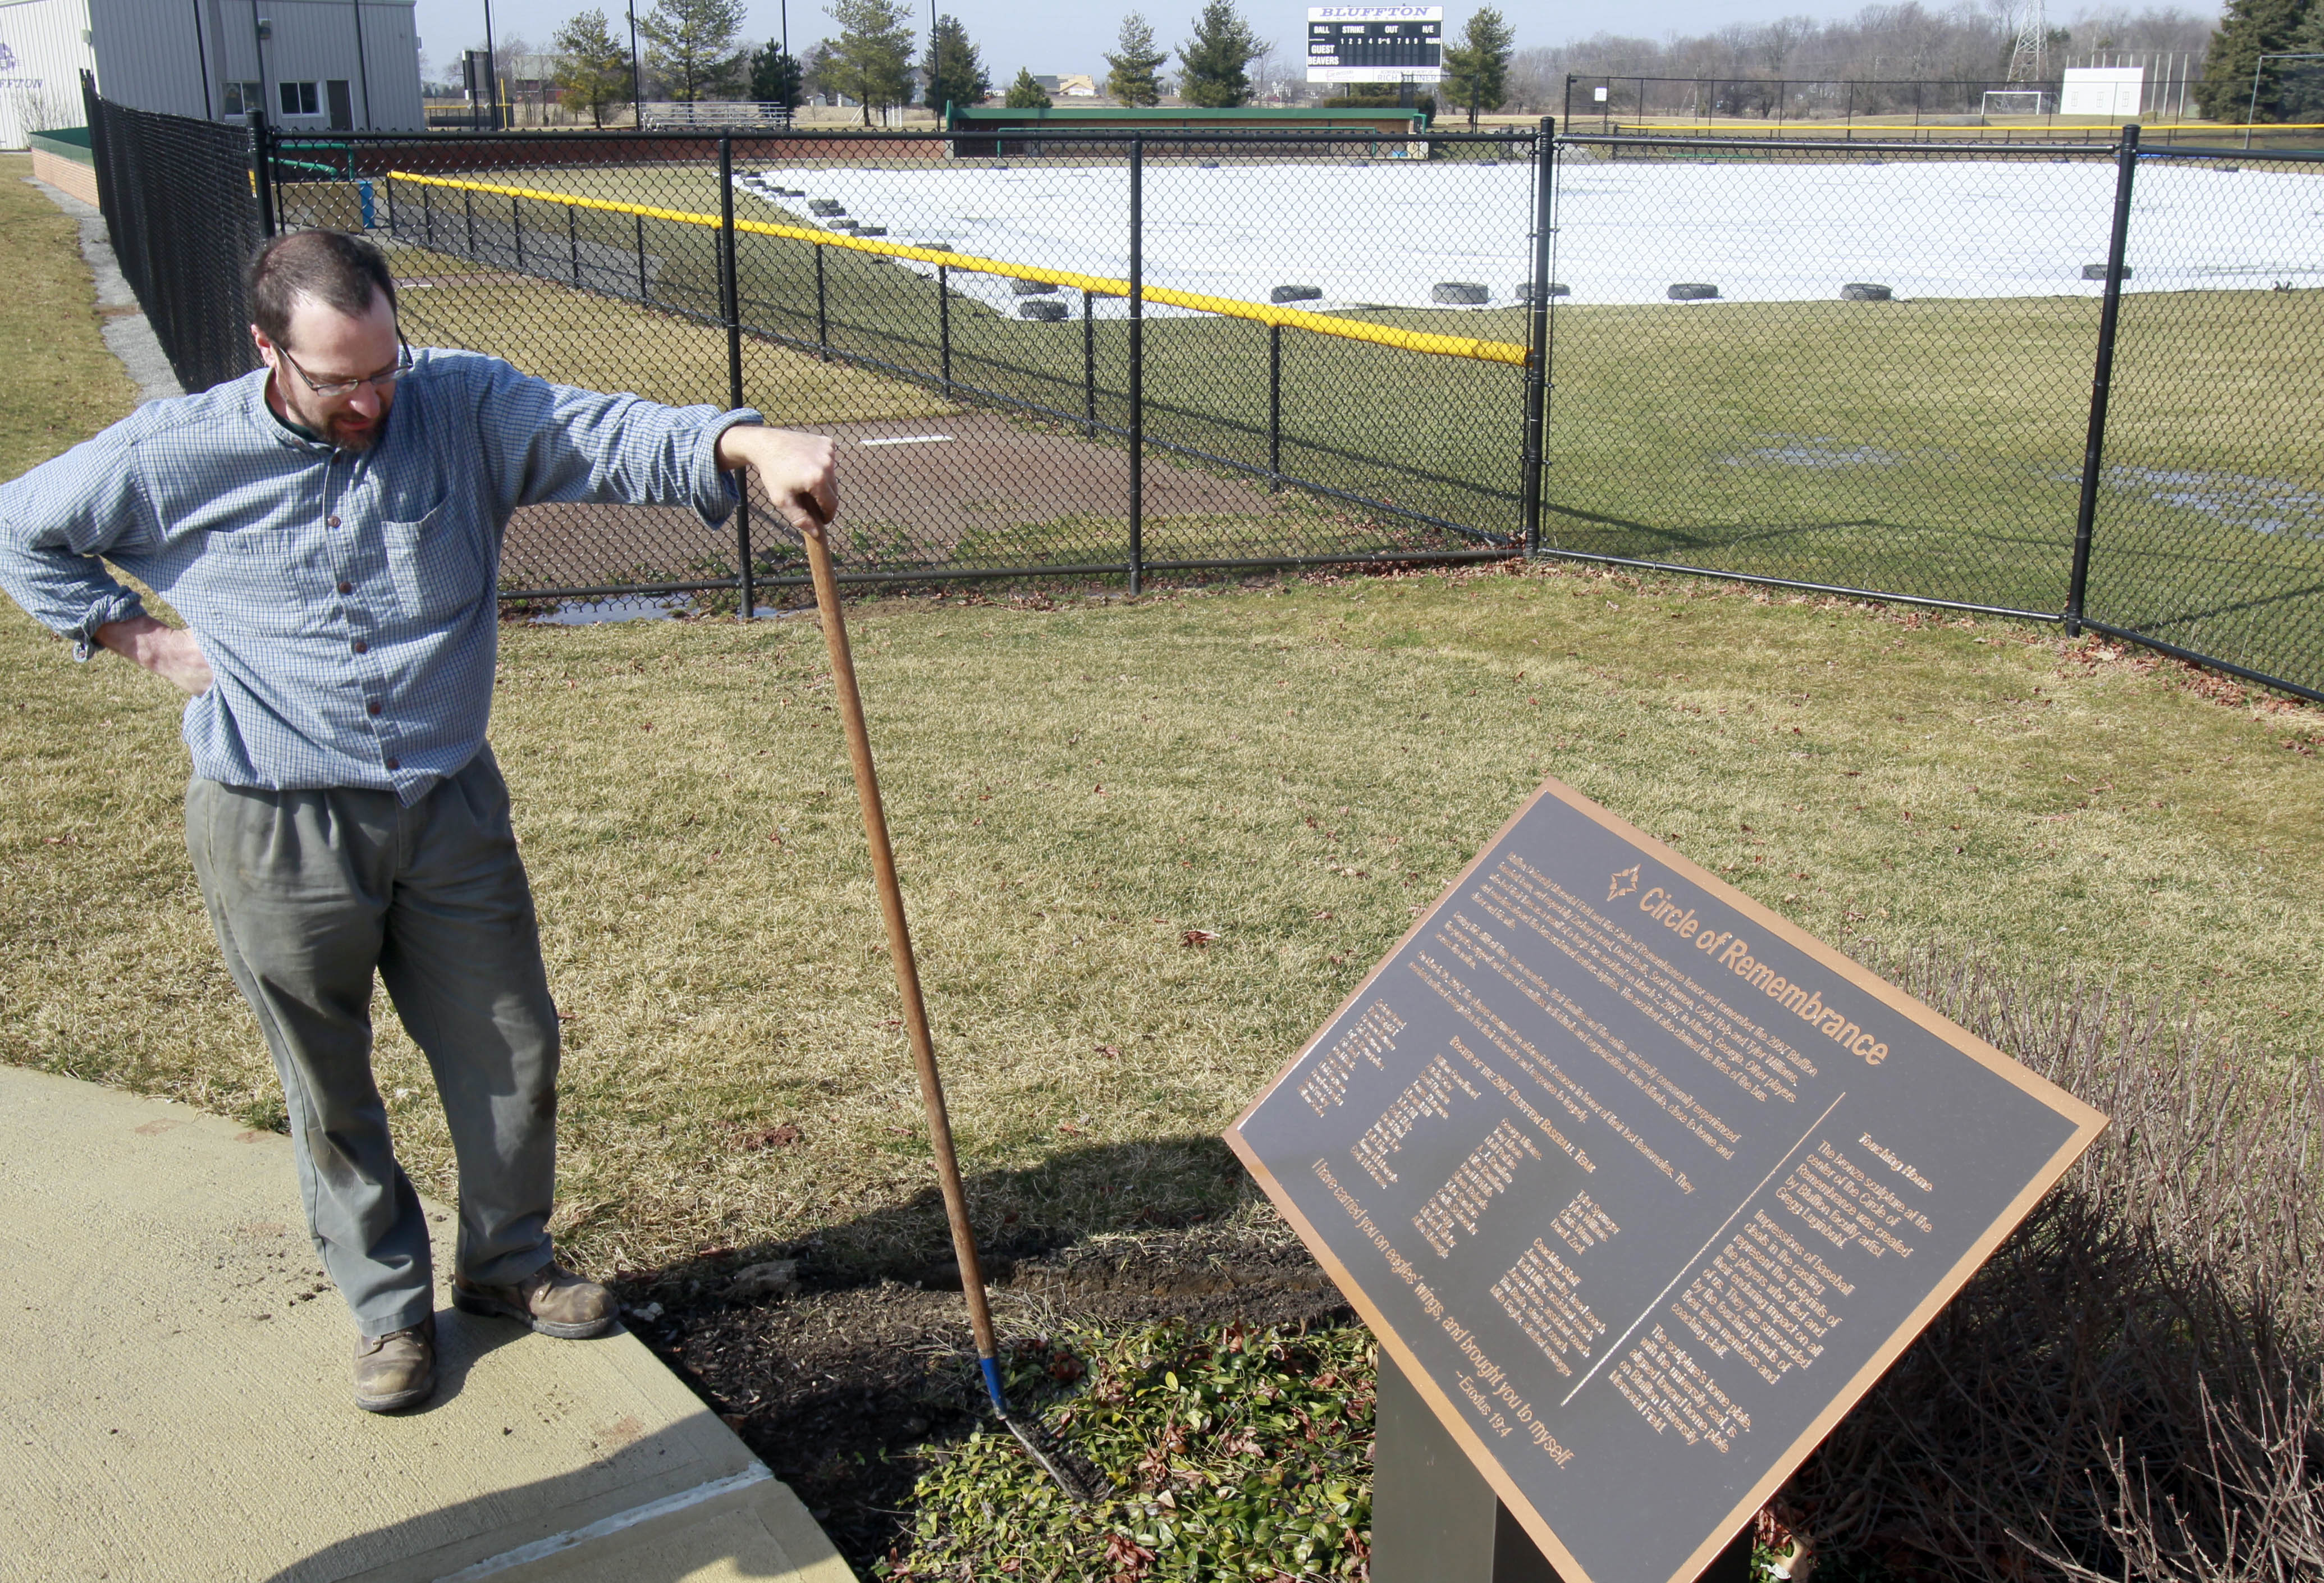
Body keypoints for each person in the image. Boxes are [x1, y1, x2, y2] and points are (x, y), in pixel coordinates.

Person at [0, 228, 837, 1413]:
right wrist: (133, 635)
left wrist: (745, 441)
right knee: (328, 1077)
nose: (373, 398)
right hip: (274, 822)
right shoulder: (173, 452)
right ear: (267, 351)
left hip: (448, 804)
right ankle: (389, 1314)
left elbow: (600, 432)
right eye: (341, 380)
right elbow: (18, 524)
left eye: (387, 364)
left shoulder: (458, 405)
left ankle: (509, 1267)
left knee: (512, 1046)